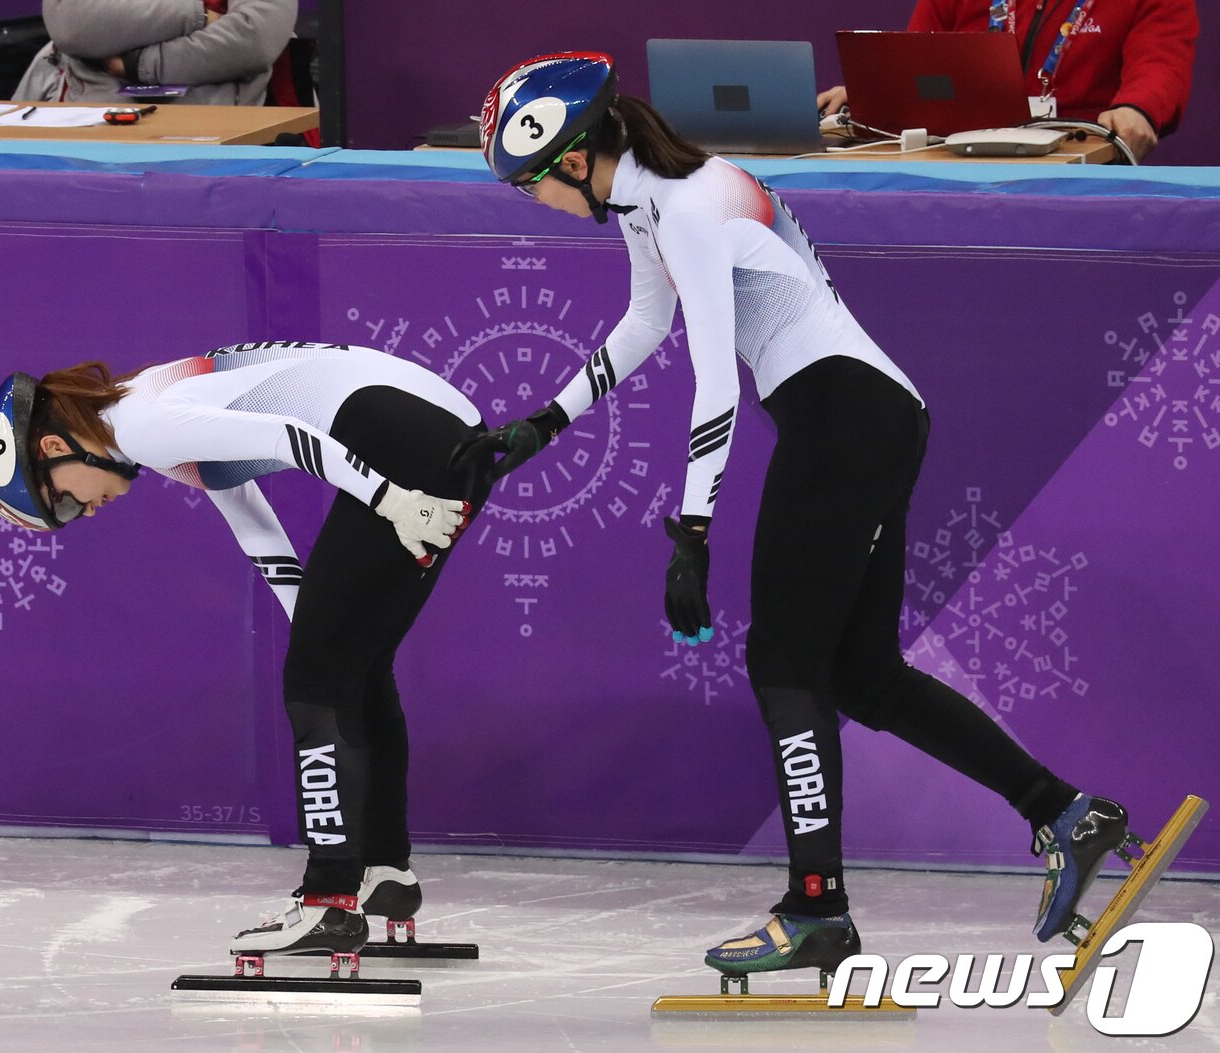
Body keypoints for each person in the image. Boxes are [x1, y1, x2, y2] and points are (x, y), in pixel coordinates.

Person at [459, 51, 1129, 981]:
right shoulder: (652, 196)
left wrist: (691, 527)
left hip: (842, 419)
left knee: (783, 660)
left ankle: (816, 909)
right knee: (863, 676)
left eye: (528, 184)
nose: (532, 202)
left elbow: (712, 383)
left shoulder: (687, 205)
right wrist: (545, 420)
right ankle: (1063, 810)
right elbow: (643, 323)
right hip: (867, 413)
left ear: (573, 160)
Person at [0, 340, 488, 958]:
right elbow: (248, 514)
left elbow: (289, 436)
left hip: (405, 444)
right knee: (354, 669)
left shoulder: (141, 424)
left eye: (61, 500)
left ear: (54, 447)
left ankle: (329, 899)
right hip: (435, 431)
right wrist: (309, 617)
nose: (83, 511)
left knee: (317, 684)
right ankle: (386, 874)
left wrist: (390, 501)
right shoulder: (141, 411)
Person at [816, 0, 1198, 162]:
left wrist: (1137, 107)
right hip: (956, 164)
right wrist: (876, 91)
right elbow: (918, 56)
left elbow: (1161, 63)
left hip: (1078, 163)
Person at [12, 0, 297, 106]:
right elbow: (71, 22)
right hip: (99, 137)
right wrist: (196, 16)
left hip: (225, 143)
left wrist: (140, 63)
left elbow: (254, 37)